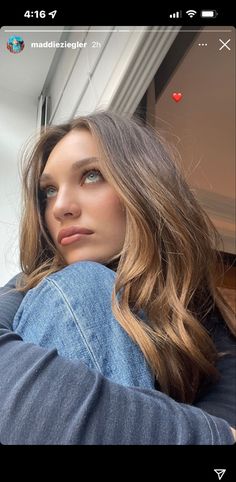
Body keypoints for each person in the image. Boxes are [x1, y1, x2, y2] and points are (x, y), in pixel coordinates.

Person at [0, 111, 235, 444]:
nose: (60, 207)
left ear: (144, 187)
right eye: (48, 191)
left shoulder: (205, 321)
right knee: (82, 285)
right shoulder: (26, 288)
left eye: (92, 175)